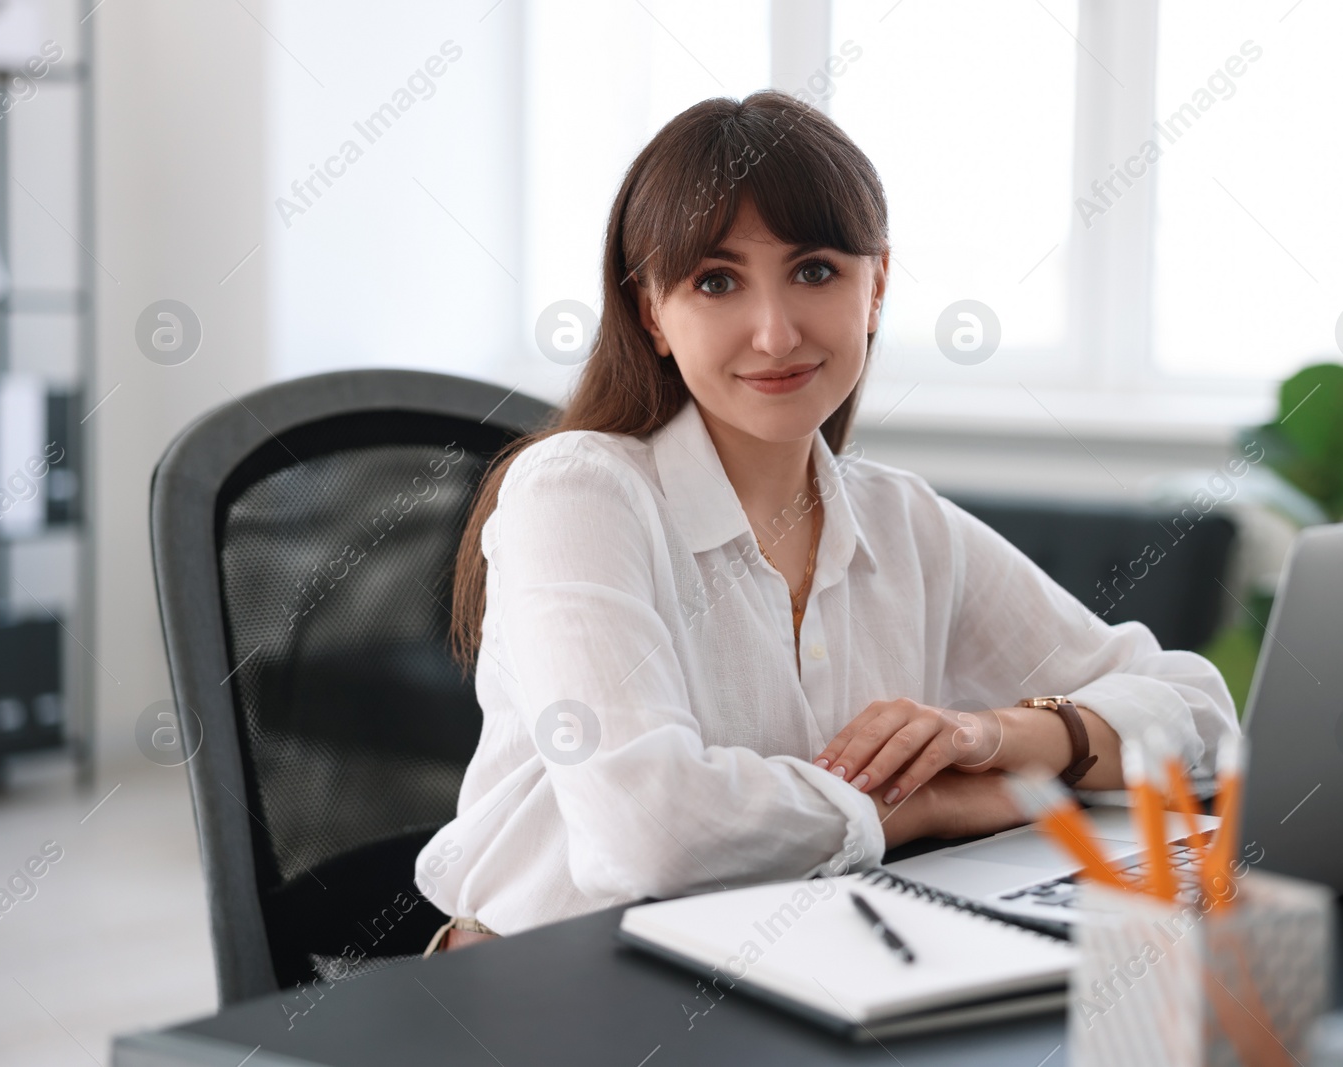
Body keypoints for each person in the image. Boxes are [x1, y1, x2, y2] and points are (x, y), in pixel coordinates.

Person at [418, 89, 1238, 954]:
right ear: (654, 313)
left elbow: (1202, 717)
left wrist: (992, 734)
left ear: (876, 285)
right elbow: (646, 831)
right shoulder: (576, 492)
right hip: (552, 994)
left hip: (799, 965)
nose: (774, 333)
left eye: (814, 271)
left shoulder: (902, 520)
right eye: (716, 281)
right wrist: (915, 804)